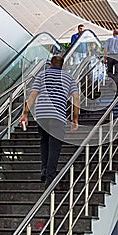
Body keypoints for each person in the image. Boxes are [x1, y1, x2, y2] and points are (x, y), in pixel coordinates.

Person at [19, 56, 80, 189]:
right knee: (55, 146)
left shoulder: (42, 75)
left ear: (51, 64)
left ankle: (44, 169)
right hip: (57, 116)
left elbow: (33, 94)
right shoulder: (68, 78)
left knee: (44, 142)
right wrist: (75, 118)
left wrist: (25, 114)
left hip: (41, 115)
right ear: (62, 65)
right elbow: (76, 98)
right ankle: (50, 178)